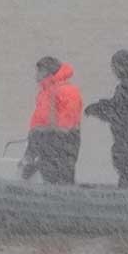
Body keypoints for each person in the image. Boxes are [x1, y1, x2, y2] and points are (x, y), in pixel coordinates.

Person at [84, 48, 128, 187]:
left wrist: (97, 109)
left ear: (121, 66)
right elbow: (118, 107)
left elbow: (120, 111)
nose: (113, 71)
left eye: (114, 67)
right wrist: (99, 107)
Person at [20, 56, 82, 184]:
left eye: (39, 71)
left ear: (47, 72)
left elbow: (66, 126)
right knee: (44, 175)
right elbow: (40, 122)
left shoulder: (67, 91)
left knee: (60, 178)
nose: (36, 75)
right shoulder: (45, 92)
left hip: (62, 142)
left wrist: (44, 135)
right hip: (45, 142)